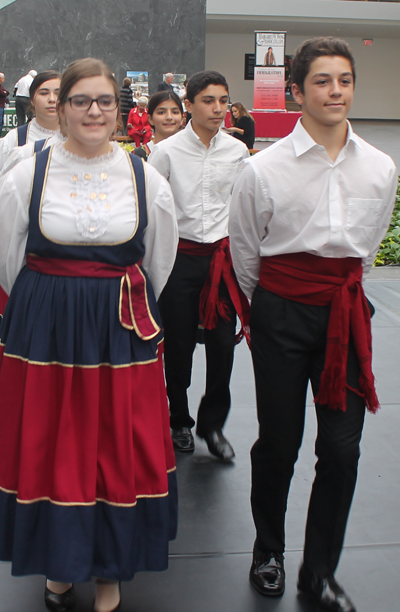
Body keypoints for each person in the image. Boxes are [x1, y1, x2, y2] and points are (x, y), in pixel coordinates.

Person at [0, 57, 178, 612]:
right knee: (53, 443)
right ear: (60, 108)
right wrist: (50, 305)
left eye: (105, 101)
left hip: (119, 329)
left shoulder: (146, 178)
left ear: (120, 110)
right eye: (81, 101)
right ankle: (59, 570)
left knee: (119, 447)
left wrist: (100, 302)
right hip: (46, 333)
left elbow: (159, 260)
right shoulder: (27, 173)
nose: (94, 111)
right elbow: (4, 255)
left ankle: (110, 575)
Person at [229, 37, 398, 612]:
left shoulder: (381, 167)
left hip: (347, 315)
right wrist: (269, 309)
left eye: (344, 80)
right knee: (279, 445)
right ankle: (268, 551)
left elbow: (367, 252)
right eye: (322, 81)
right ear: (297, 91)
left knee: (343, 451)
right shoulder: (262, 169)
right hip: (279, 312)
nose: (335, 91)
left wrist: (337, 298)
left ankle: (320, 571)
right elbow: (246, 254)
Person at [148, 70, 250, 460]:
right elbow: (153, 211)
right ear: (188, 105)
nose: (218, 108)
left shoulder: (237, 152)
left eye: (223, 100)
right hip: (179, 260)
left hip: (221, 263)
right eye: (208, 100)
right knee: (178, 347)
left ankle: (213, 425)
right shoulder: (168, 152)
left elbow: (243, 208)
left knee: (224, 347)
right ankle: (179, 420)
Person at [0, 70, 61, 206]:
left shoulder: (81, 141)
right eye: (44, 93)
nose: (52, 99)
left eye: (58, 93)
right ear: (31, 99)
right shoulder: (12, 141)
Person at [134, 90, 183, 160]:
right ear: (150, 118)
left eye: (175, 112)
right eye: (161, 112)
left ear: (182, 118)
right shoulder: (138, 156)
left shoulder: (191, 153)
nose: (169, 117)